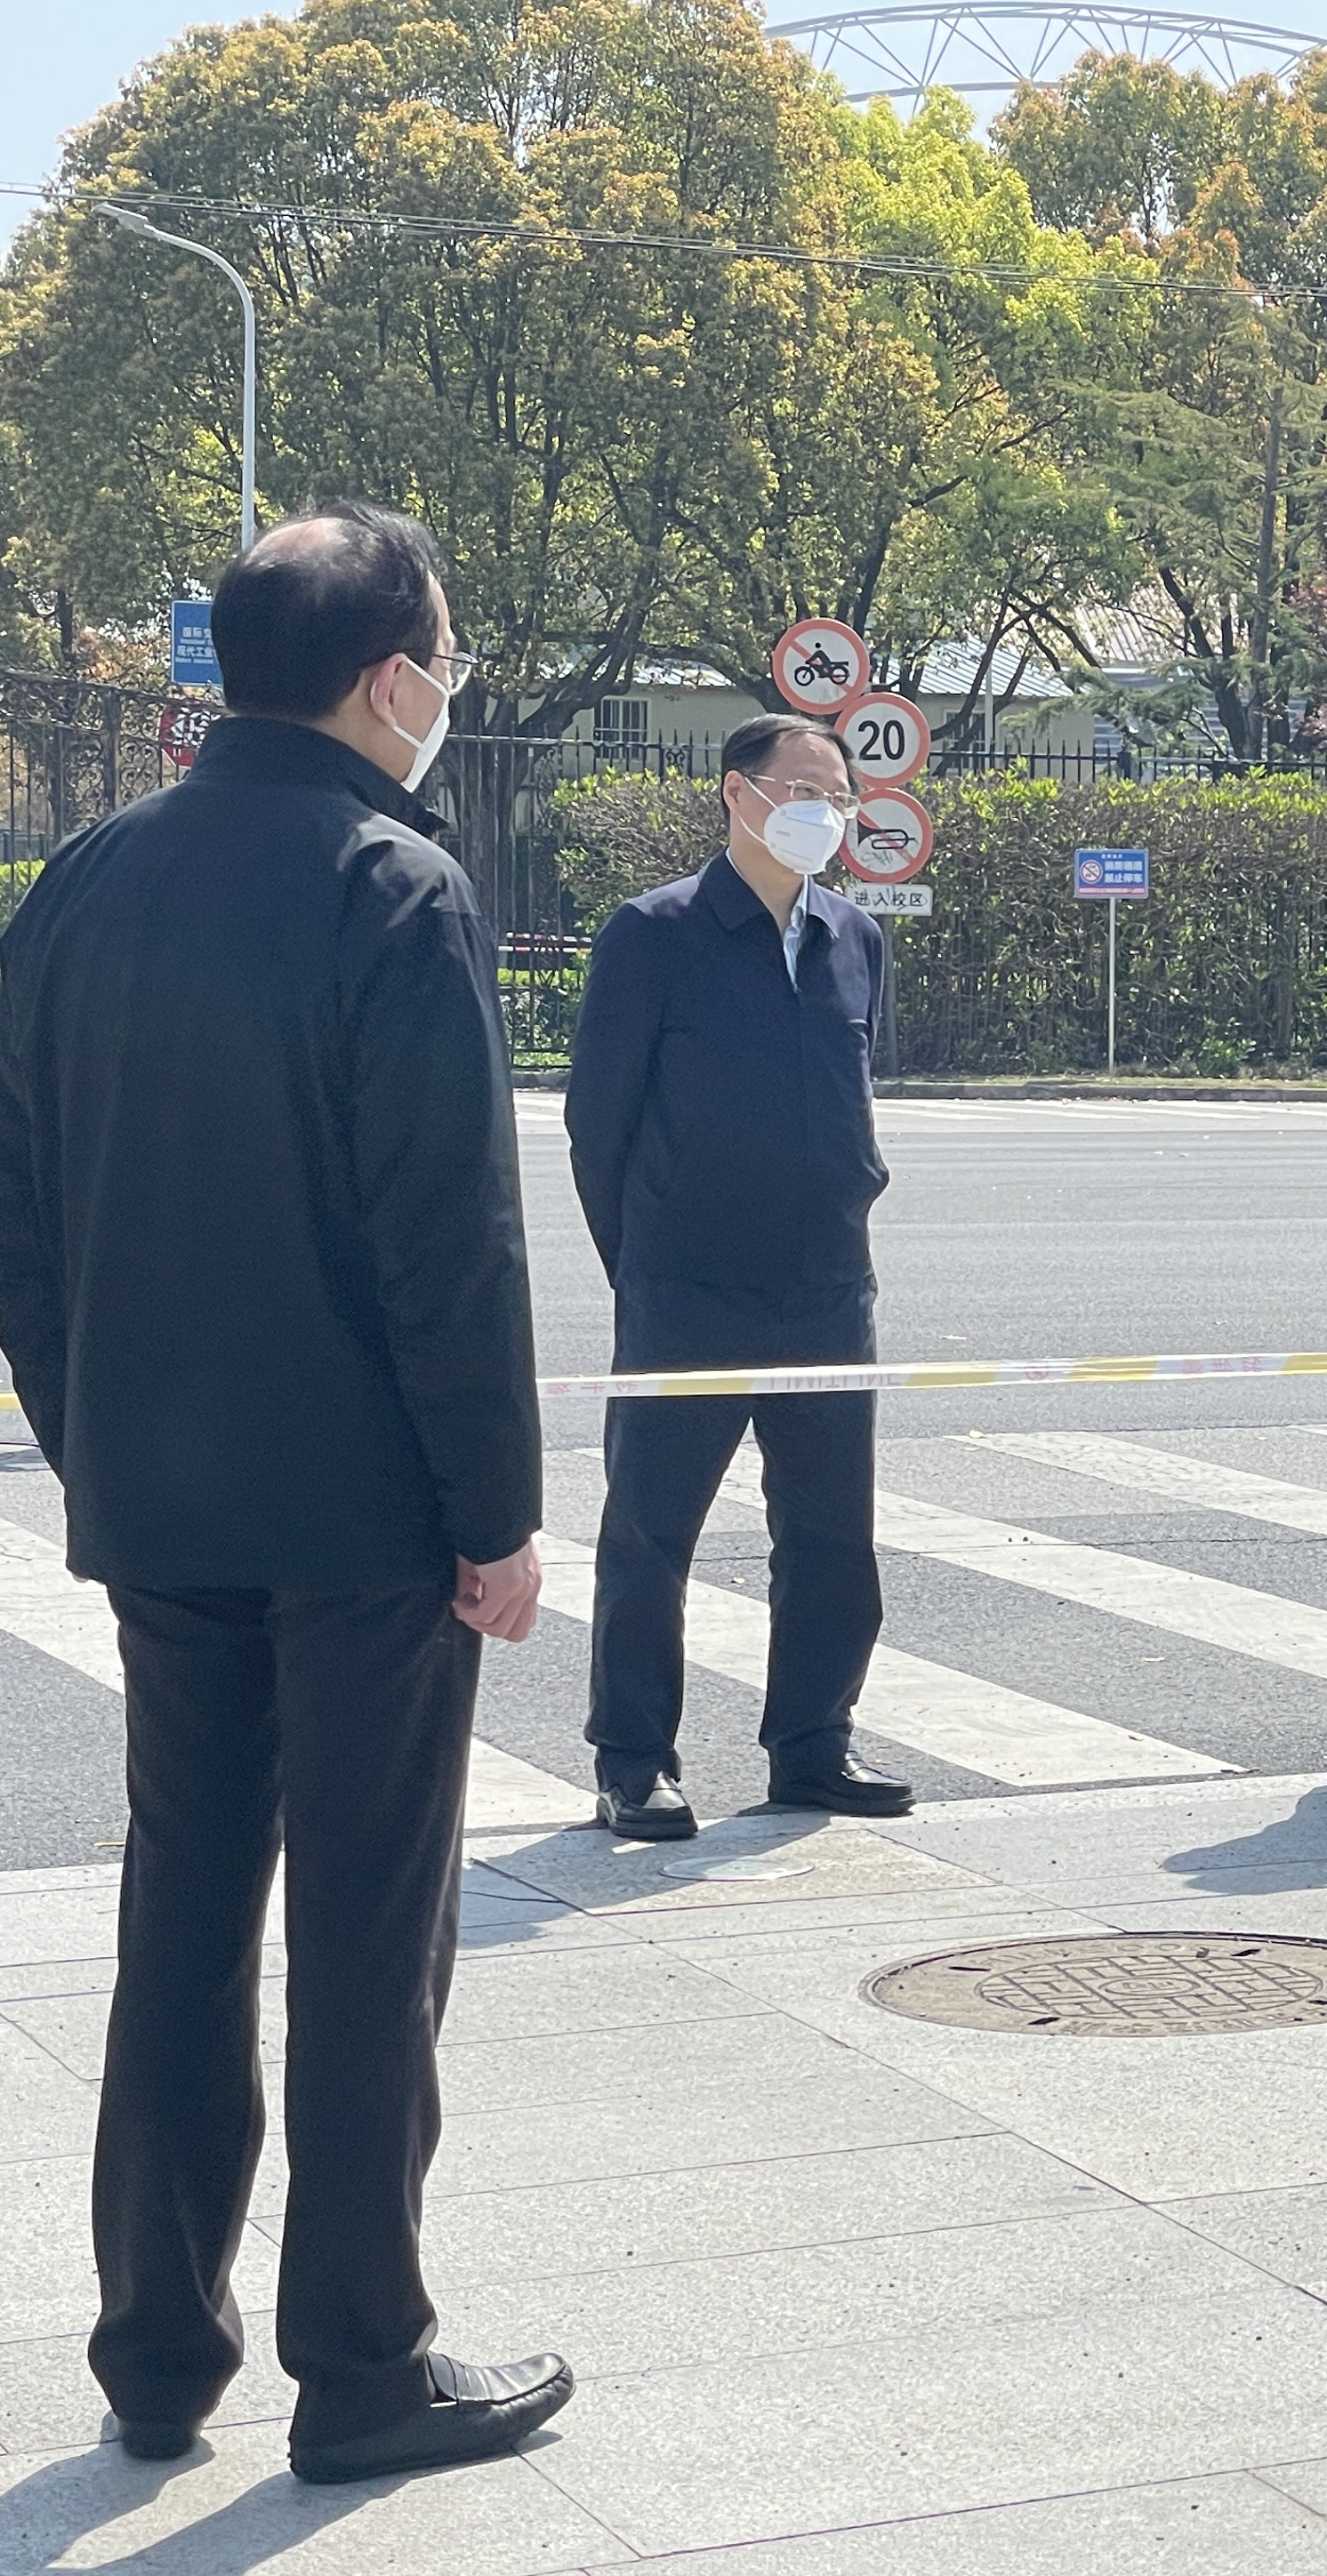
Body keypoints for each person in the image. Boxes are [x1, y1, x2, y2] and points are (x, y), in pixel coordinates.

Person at [0, 503, 574, 2480]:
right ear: (391, 677)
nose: (448, 686)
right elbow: (448, 1241)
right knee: (366, 1928)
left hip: (158, 1498)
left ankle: (157, 2353)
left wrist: (90, 1434)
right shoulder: (391, 884)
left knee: (181, 1905)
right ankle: (361, 2358)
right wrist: (492, 1513)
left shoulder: (82, 880)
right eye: (447, 654)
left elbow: (22, 1216)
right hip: (362, 1517)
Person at [566, 713, 908, 1838]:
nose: (825, 811)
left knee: (830, 1535)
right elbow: (598, 1124)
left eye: (840, 795)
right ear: (737, 793)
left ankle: (813, 1743)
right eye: (802, 789)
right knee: (651, 1532)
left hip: (828, 1288)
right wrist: (643, 1265)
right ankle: (633, 1761)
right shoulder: (654, 933)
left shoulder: (854, 937)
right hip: (687, 1290)